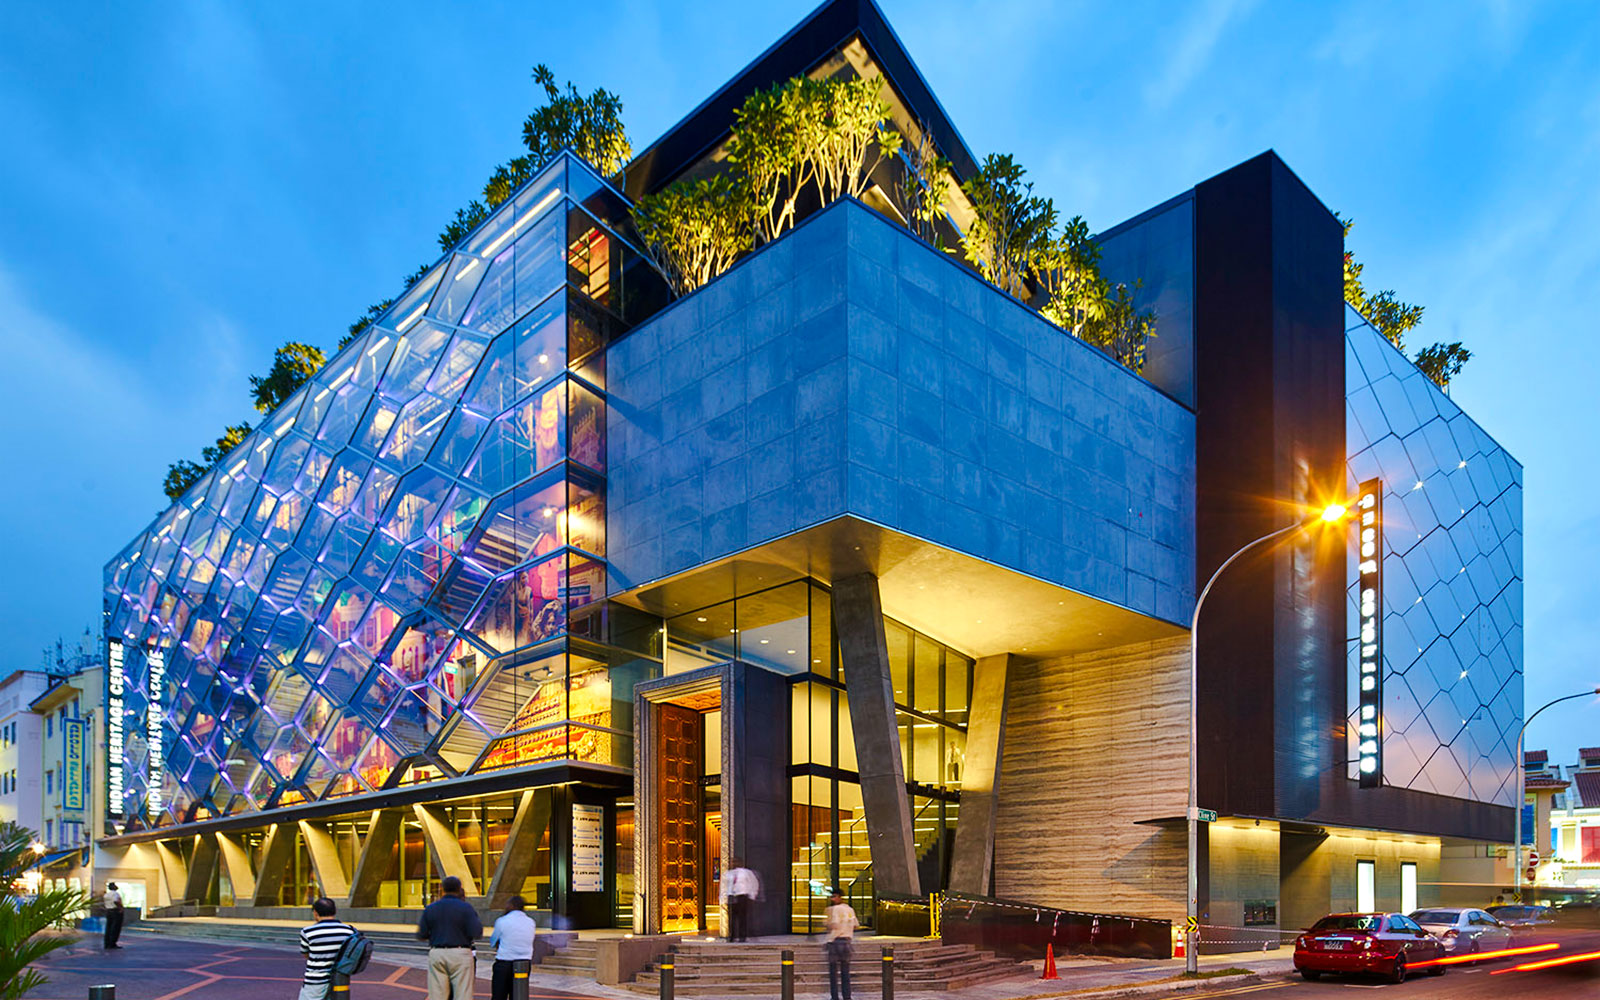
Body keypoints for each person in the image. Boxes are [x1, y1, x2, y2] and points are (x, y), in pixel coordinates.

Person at [417, 875, 482, 999]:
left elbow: (422, 934)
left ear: (443, 889)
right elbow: (477, 932)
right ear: (459, 889)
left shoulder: (431, 908)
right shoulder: (466, 908)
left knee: (437, 995)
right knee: (463, 994)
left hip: (437, 952)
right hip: (460, 952)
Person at [299, 897, 357, 1000]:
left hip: (316, 981)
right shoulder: (349, 931)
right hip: (340, 980)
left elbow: (305, 953)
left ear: (315, 913)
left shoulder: (308, 932)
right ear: (334, 911)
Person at [489, 895, 537, 1000]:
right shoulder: (531, 922)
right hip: (524, 963)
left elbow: (493, 941)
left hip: (504, 962)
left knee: (499, 995)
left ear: (511, 906)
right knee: (519, 994)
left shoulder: (502, 921)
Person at [825, 891, 859, 1000]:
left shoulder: (836, 909)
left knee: (833, 973)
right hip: (847, 942)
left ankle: (834, 996)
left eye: (834, 897)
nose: (832, 899)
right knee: (845, 972)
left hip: (835, 942)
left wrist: (827, 923)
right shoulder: (850, 910)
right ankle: (847, 996)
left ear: (839, 897)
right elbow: (856, 925)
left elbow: (834, 924)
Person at [720, 859, 760, 942]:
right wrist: (722, 898)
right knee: (731, 918)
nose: (733, 864)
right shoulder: (728, 874)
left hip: (742, 896)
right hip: (731, 896)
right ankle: (732, 936)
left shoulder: (746, 873)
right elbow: (723, 886)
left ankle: (742, 936)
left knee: (742, 917)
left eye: (736, 862)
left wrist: (752, 895)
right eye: (732, 862)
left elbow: (753, 883)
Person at [102, 882, 124, 950]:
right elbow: (116, 901)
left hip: (108, 911)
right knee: (115, 927)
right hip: (115, 911)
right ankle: (112, 943)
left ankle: (107, 943)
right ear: (114, 887)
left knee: (108, 927)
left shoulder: (106, 895)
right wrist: (120, 908)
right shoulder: (115, 894)